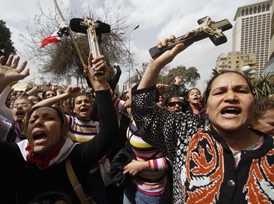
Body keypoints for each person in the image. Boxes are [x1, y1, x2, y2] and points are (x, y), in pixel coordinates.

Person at [131, 35, 274, 204]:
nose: (230, 97)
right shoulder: (187, 133)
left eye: (241, 91)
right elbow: (143, 112)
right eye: (220, 92)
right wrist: (155, 66)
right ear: (207, 104)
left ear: (254, 103)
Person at [0, 53, 119, 203]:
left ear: (64, 130)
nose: (38, 122)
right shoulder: (16, 157)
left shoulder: (76, 156)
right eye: (33, 120)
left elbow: (109, 134)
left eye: (49, 118)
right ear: (25, 131)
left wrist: (100, 85)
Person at [112, 84, 171, 204]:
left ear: (142, 97)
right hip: (132, 183)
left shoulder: (162, 123)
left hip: (152, 192)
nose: (127, 91)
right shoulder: (135, 113)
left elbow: (173, 160)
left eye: (132, 90)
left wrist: (142, 166)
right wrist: (101, 81)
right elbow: (114, 100)